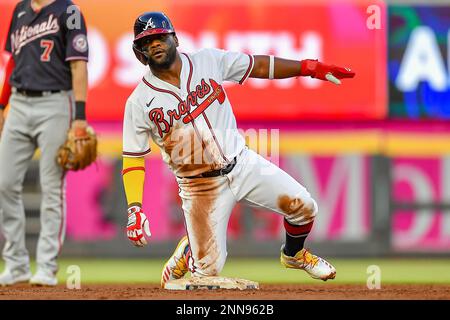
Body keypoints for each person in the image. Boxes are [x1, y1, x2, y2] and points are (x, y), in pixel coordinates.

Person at [122, 12, 355, 287]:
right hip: (200, 188)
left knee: (304, 207)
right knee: (206, 276)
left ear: (174, 38)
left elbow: (257, 65)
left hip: (242, 164)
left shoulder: (207, 61)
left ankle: (294, 255)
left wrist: (308, 67)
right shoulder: (139, 102)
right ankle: (188, 251)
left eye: (159, 37)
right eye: (147, 42)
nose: (155, 45)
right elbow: (133, 158)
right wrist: (134, 208)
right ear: (140, 52)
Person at [0, 0, 90, 286]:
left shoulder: (69, 11)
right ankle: (16, 264)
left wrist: (79, 118)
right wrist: (2, 104)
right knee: (4, 183)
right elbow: (12, 60)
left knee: (52, 186)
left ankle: (47, 266)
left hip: (55, 102)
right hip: (19, 101)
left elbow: (78, 66)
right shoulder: (20, 9)